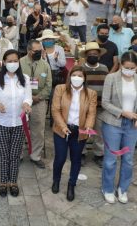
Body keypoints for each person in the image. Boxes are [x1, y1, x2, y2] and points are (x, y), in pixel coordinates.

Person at [0, 49, 32, 197]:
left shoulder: (24, 78)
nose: (12, 63)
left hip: (19, 122)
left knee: (15, 154)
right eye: (9, 61)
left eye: (15, 61)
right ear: (4, 62)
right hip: (0, 121)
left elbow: (28, 97)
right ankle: (3, 181)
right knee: (3, 154)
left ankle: (13, 181)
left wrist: (26, 104)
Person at [51, 66, 97, 201]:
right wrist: (63, 126)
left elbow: (91, 113)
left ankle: (72, 185)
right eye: (74, 75)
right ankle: (56, 180)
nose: (77, 78)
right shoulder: (60, 89)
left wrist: (88, 127)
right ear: (70, 76)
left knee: (76, 159)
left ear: (84, 78)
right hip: (62, 129)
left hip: (79, 131)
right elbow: (55, 110)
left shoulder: (91, 93)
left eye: (80, 76)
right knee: (60, 158)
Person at [101, 52, 137, 204]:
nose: (129, 70)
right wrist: (123, 113)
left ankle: (123, 188)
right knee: (111, 159)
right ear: (121, 65)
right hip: (113, 123)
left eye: (132, 68)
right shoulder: (112, 78)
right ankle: (107, 188)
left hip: (132, 126)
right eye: (126, 67)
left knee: (128, 160)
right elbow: (105, 102)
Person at [20, 39, 52, 168]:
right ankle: (19, 154)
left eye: (41, 51)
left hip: (39, 101)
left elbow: (49, 85)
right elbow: (15, 83)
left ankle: (35, 155)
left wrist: (38, 97)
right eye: (36, 51)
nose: (39, 53)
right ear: (29, 50)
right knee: (20, 129)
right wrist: (27, 98)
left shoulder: (45, 65)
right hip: (22, 102)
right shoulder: (20, 63)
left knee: (38, 130)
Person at [79, 42, 109, 167]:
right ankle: (82, 152)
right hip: (85, 106)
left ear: (99, 56)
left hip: (101, 106)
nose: (93, 56)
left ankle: (99, 154)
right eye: (90, 54)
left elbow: (107, 87)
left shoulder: (104, 68)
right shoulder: (81, 69)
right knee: (83, 130)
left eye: (95, 54)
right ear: (86, 56)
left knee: (100, 132)